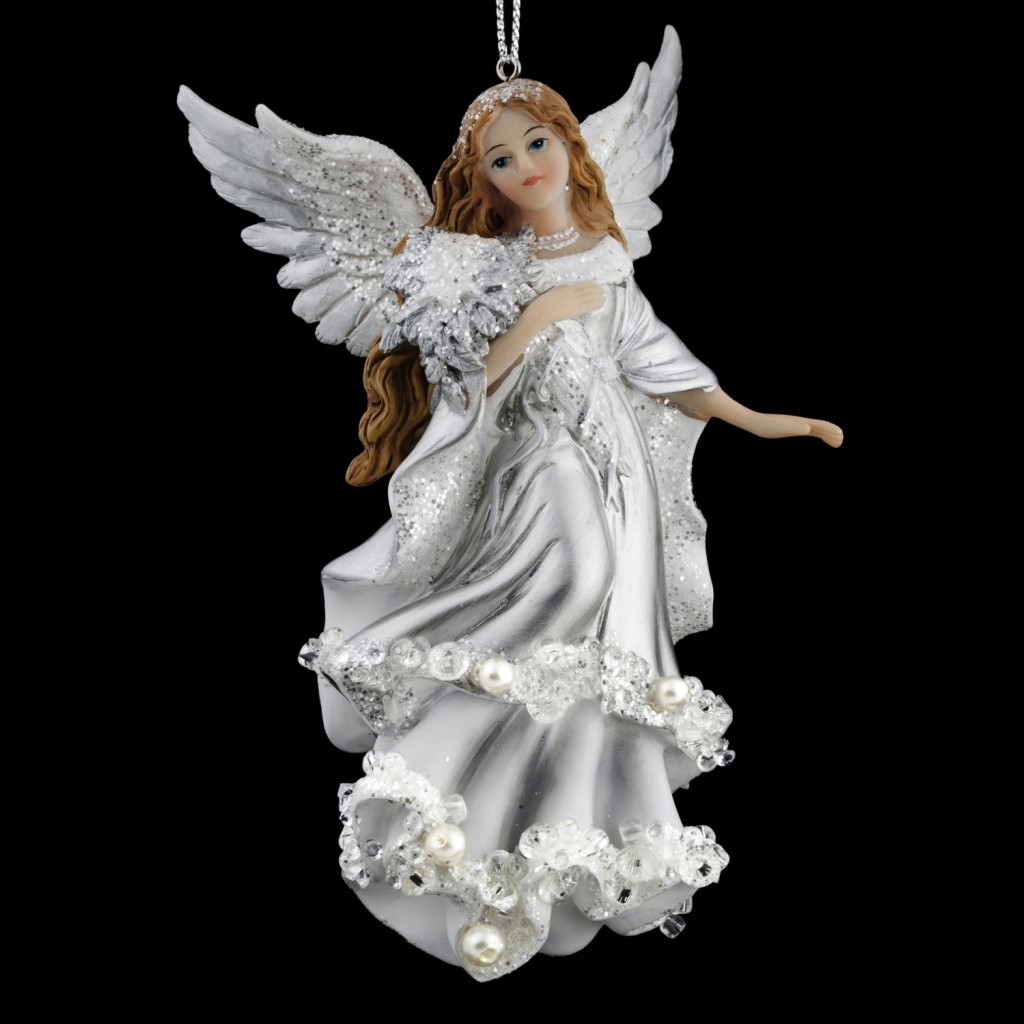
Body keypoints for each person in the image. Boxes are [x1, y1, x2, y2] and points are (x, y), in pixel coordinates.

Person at [307, 78, 842, 977]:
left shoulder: (605, 254)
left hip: (617, 462)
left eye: (536, 144)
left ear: (568, 146)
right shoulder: (486, 266)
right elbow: (463, 381)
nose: (525, 166)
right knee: (579, 578)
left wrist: (758, 419)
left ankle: (533, 795)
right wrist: (536, 319)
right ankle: (434, 682)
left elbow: (654, 359)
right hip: (538, 455)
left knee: (605, 634)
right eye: (500, 159)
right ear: (482, 181)